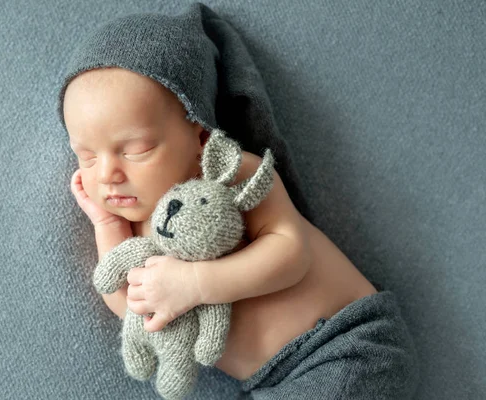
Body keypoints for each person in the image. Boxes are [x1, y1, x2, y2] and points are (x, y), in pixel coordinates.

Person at [58, 3, 418, 399]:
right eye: (86, 157)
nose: (107, 173)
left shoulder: (228, 172)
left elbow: (291, 253)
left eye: (136, 149)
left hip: (345, 347)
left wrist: (195, 284)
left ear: (200, 137)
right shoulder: (129, 226)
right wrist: (106, 225)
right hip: (270, 383)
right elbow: (131, 308)